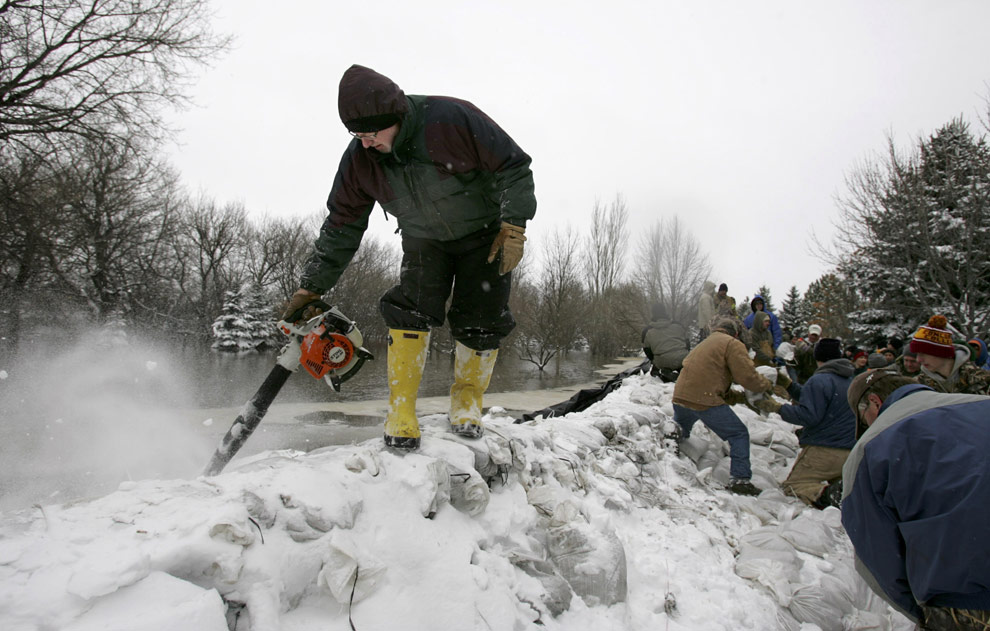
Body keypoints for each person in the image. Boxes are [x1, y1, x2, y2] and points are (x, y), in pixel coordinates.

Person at [281, 64, 536, 450]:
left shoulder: (450, 119)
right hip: (423, 239)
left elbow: (514, 165)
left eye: (371, 133)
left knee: (482, 318)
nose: (365, 143)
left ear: (396, 118)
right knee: (410, 309)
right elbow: (342, 223)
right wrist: (310, 286)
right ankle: (401, 409)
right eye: (356, 134)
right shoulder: (360, 161)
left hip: (484, 235)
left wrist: (514, 224)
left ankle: (466, 402)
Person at [841, 370, 990, 630]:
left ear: (875, 402)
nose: (868, 426)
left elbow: (877, 557)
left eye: (864, 419)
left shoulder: (872, 446)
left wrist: (926, 611)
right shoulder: (983, 405)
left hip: (966, 599)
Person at [672, 317, 774, 496]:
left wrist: (740, 398)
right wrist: (766, 385)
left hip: (681, 396)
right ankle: (740, 479)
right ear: (735, 333)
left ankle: (670, 447)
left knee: (681, 432)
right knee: (738, 434)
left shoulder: (705, 344)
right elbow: (747, 377)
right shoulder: (732, 344)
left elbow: (712, 378)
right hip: (703, 399)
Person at [757, 337, 856, 507]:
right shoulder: (850, 381)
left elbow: (809, 415)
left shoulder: (819, 380)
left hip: (824, 449)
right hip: (849, 451)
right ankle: (843, 491)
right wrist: (789, 385)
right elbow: (819, 400)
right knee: (839, 483)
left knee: (793, 487)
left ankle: (827, 495)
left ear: (818, 357)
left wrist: (778, 408)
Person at [909, 315, 990, 395]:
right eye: (917, 354)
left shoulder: (984, 381)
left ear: (941, 353)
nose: (918, 360)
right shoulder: (916, 387)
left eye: (924, 354)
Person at [642, 302, 691, 382]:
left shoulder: (647, 331)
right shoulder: (678, 325)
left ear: (653, 313)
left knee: (660, 361)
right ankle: (680, 371)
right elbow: (687, 344)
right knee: (681, 362)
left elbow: (647, 351)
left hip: (662, 361)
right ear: (665, 312)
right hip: (682, 358)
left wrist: (654, 360)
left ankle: (663, 371)